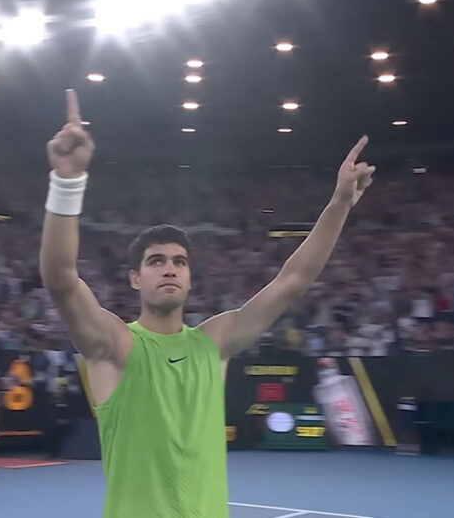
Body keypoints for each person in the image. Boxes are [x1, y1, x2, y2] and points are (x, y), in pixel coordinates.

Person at [39, 90, 375, 518]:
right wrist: (67, 181)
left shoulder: (214, 343)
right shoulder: (114, 345)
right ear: (135, 278)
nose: (169, 269)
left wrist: (339, 204)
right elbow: (61, 279)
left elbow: (293, 281)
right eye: (156, 261)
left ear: (190, 276)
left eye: (179, 262)